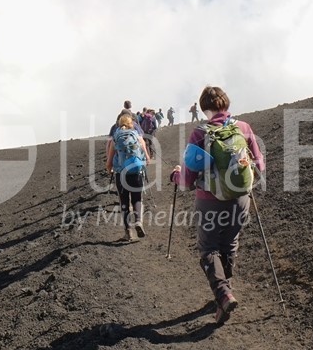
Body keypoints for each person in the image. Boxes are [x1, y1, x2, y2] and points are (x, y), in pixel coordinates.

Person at [171, 86, 265, 324]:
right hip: (241, 198)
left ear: (204, 108)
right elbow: (259, 165)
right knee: (229, 243)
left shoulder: (199, 134)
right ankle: (226, 291)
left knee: (208, 249)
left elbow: (187, 181)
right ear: (226, 103)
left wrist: (175, 175)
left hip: (209, 201)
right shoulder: (243, 128)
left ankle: (223, 294)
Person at [107, 113, 150, 241]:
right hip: (136, 172)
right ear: (132, 124)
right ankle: (138, 222)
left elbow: (109, 161)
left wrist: (110, 170)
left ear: (119, 124)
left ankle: (128, 233)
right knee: (137, 198)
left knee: (124, 202)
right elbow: (147, 158)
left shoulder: (116, 137)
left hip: (121, 174)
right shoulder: (137, 136)